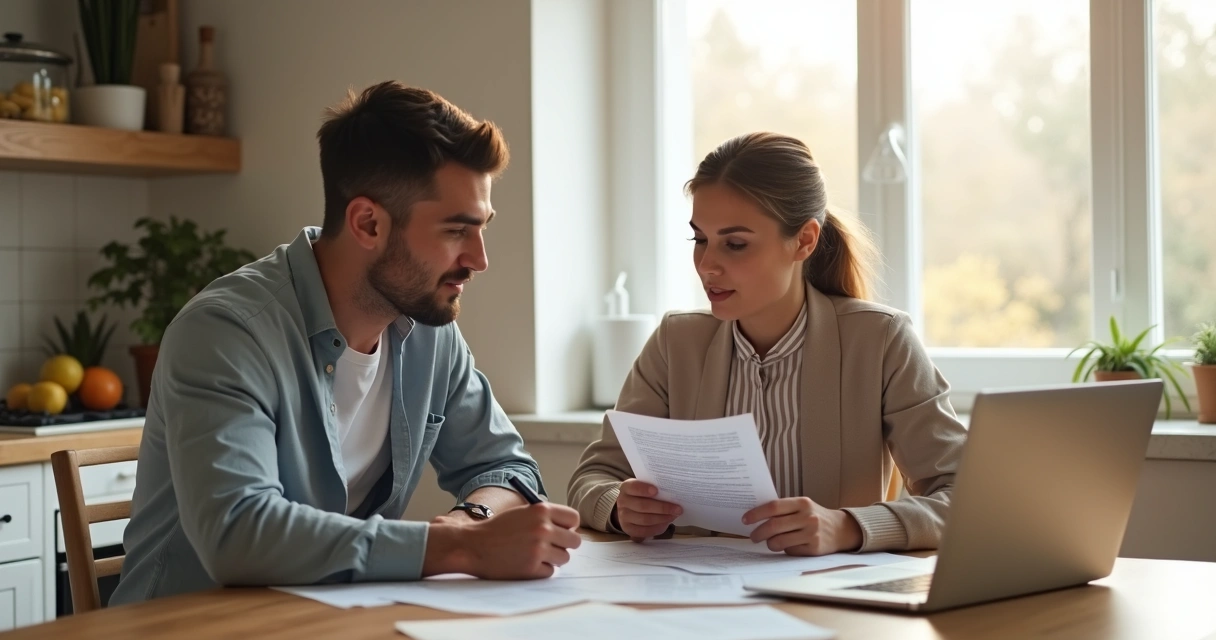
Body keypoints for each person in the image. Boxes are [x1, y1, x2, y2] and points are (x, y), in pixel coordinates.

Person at [112, 81, 581, 604]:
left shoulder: (429, 332)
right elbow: (237, 533)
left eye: (482, 228)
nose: (479, 259)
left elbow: (507, 469)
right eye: (455, 231)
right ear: (368, 223)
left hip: (330, 620)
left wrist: (471, 521)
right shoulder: (227, 333)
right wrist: (456, 546)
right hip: (188, 627)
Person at [567, 132, 966, 555]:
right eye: (699, 239)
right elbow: (593, 476)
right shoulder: (675, 341)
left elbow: (964, 493)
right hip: (696, 598)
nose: (707, 265)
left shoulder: (881, 341)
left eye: (735, 244)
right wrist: (618, 506)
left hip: (831, 604)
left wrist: (848, 526)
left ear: (804, 241)